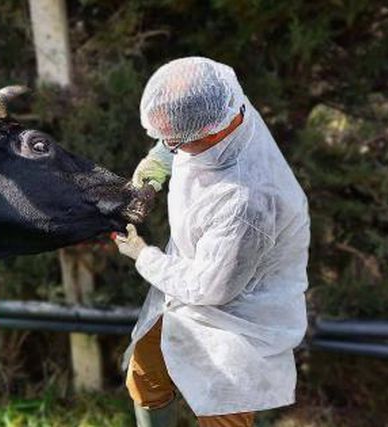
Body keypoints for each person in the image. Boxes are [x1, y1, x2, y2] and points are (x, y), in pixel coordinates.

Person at [114, 57, 310, 427]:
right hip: (190, 285)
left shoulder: (249, 201)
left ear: (209, 129)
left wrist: (144, 255)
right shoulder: (224, 104)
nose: (168, 144)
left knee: (223, 412)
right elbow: (178, 131)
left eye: (174, 141)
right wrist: (157, 165)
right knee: (144, 373)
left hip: (240, 320)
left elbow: (208, 287)